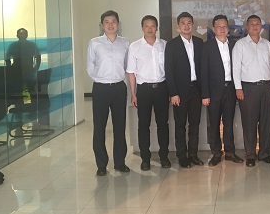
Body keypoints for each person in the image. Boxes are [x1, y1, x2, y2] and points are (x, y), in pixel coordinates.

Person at [86, 10, 130, 176]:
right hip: (101, 89)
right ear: (102, 25)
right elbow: (90, 66)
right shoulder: (94, 43)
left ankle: (120, 162)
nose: (110, 25)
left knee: (120, 126)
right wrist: (101, 78)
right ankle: (101, 164)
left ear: (118, 24)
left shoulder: (125, 43)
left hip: (119, 88)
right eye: (107, 22)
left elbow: (128, 65)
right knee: (99, 127)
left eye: (113, 22)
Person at [126, 15, 171, 171]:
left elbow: (170, 70)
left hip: (162, 88)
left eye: (153, 26)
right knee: (143, 125)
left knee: (163, 124)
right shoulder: (134, 47)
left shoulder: (165, 45)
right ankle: (145, 158)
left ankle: (164, 156)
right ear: (142, 28)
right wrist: (133, 93)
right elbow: (131, 72)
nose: (150, 29)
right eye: (147, 26)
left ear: (157, 28)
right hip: (143, 90)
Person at [232, 15, 270, 167]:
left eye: (257, 24)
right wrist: (238, 88)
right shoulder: (240, 45)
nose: (255, 26)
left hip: (266, 87)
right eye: (252, 24)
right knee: (249, 123)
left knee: (266, 123)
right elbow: (236, 68)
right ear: (247, 26)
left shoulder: (266, 44)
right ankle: (250, 154)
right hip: (248, 88)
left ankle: (264, 153)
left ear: (261, 27)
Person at [200, 15, 243, 166]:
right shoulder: (207, 46)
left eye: (225, 26)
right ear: (213, 29)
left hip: (230, 89)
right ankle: (216, 153)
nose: (222, 29)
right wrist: (205, 94)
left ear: (228, 28)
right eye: (219, 26)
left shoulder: (234, 45)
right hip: (213, 91)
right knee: (214, 123)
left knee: (229, 122)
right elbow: (203, 72)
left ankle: (230, 152)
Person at [165, 12, 204, 169]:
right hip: (179, 92)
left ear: (192, 25)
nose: (186, 26)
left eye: (189, 23)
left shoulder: (199, 42)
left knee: (195, 123)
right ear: (178, 26)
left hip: (196, 90)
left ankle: (193, 155)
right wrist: (173, 93)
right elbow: (169, 70)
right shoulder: (172, 45)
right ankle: (182, 156)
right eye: (183, 23)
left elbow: (203, 69)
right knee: (180, 124)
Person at [5, 27, 41, 95]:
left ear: (27, 35)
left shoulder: (32, 45)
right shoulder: (13, 45)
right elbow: (7, 57)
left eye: (24, 33)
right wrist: (10, 68)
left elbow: (38, 58)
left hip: (29, 70)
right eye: (20, 33)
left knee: (29, 90)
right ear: (17, 35)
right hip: (16, 71)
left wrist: (35, 69)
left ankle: (28, 101)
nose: (22, 35)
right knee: (17, 90)